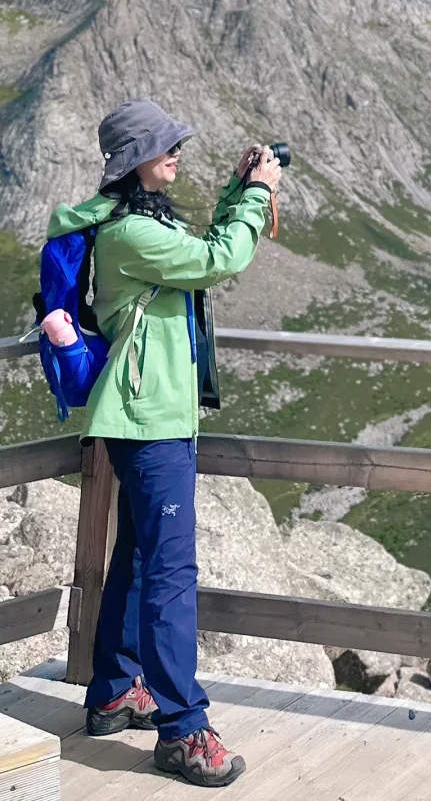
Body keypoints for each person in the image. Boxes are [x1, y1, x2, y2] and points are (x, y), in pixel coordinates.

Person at [44, 98, 281, 788]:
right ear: (132, 161)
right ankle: (183, 729)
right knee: (173, 576)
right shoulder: (130, 235)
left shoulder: (141, 221)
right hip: (151, 420)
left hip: (144, 416)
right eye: (163, 146)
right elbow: (216, 258)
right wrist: (260, 196)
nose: (175, 152)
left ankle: (116, 688)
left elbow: (202, 244)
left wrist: (239, 189)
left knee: (141, 558)